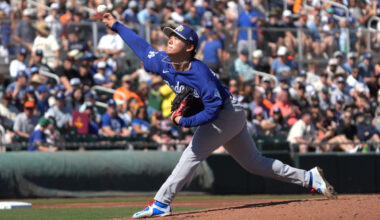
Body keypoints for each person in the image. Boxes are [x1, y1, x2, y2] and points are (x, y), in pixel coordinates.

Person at [101, 13, 337, 218]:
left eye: (177, 37)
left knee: (191, 154)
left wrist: (185, 121)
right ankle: (309, 178)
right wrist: (117, 26)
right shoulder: (163, 62)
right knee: (254, 163)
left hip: (225, 113)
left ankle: (162, 203)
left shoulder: (199, 72)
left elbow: (213, 109)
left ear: (190, 47)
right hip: (230, 114)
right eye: (169, 35)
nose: (170, 38)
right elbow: (142, 47)